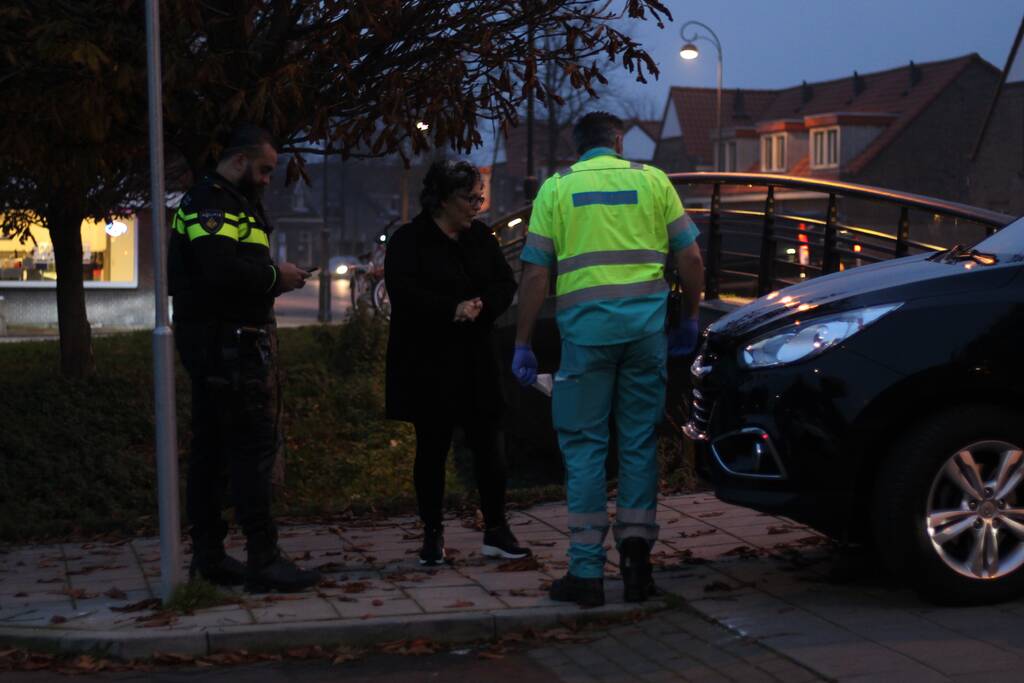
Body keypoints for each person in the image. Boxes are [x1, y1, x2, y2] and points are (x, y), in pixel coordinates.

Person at [511, 112, 704, 607]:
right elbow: (692, 260)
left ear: (577, 147)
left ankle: (586, 573)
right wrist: (687, 316)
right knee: (638, 443)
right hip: (645, 337)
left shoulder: (556, 189)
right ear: (618, 141)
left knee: (584, 447)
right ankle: (637, 566)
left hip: (587, 339)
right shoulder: (654, 181)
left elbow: (535, 276)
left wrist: (524, 341)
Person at [168, 124, 320, 593]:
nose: (269, 179)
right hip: (229, 345)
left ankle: (211, 557)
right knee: (250, 450)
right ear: (239, 162)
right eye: (265, 169)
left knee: (212, 452)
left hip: (217, 343)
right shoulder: (214, 204)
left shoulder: (224, 201)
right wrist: (279, 277)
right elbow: (220, 271)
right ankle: (263, 558)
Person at [385, 160, 532, 566]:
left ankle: (497, 530)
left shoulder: (480, 238)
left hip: (475, 359)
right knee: (431, 449)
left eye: (480, 198)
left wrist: (483, 306)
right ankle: (432, 535)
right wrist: (451, 310)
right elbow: (404, 293)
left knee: (490, 446)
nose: (478, 206)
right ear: (444, 199)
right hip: (428, 361)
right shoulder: (409, 241)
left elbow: (505, 281)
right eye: (471, 198)